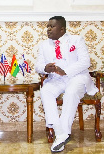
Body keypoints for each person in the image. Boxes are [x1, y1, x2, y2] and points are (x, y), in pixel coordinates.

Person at [35, 16, 98, 152]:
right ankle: (61, 133)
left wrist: (66, 71)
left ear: (62, 29)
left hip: (76, 77)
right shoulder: (44, 45)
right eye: (48, 27)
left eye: (52, 26)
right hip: (56, 79)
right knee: (45, 91)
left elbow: (85, 62)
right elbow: (38, 65)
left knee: (71, 91)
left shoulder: (76, 40)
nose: (48, 29)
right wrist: (45, 68)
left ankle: (61, 135)